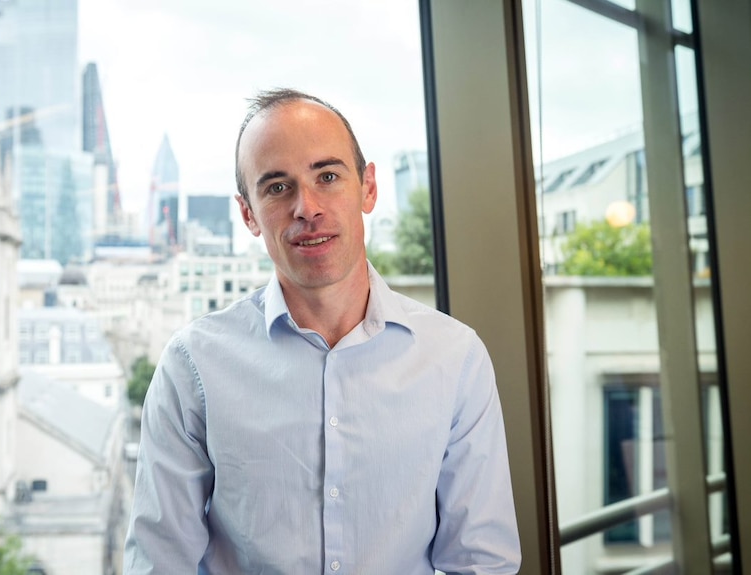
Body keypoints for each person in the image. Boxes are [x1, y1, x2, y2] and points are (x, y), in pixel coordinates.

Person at [123, 88, 521, 574]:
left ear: (368, 187)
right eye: (276, 187)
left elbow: (481, 563)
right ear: (248, 213)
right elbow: (161, 563)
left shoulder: (455, 358)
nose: (306, 207)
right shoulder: (193, 366)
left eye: (327, 176)